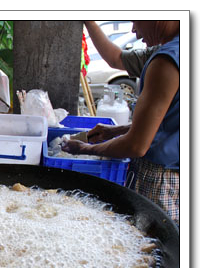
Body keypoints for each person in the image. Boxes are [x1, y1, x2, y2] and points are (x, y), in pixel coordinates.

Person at [63, 21, 180, 224]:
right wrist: (116, 130)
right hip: (176, 176)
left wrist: (84, 148)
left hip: (160, 180)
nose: (134, 30)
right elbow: (171, 122)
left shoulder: (166, 61)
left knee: (155, 242)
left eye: (136, 19)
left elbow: (136, 145)